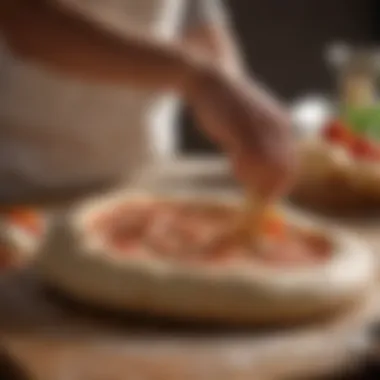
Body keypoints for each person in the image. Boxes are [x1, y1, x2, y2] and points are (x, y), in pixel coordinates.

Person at [0, 0, 295, 204]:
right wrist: (201, 78)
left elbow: (193, 8)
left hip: (142, 173)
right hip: (21, 181)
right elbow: (24, 15)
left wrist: (234, 94)